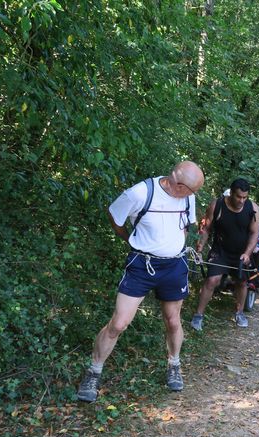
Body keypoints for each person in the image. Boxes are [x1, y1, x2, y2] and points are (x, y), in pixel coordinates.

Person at [77, 161, 205, 403]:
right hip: (141, 265)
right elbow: (115, 217)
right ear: (178, 185)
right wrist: (130, 239)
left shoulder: (188, 197)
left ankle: (174, 364)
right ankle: (93, 373)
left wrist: (173, 247)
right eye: (191, 190)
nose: (193, 195)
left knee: (173, 321)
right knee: (119, 323)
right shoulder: (140, 193)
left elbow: (185, 227)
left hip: (174, 265)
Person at [191, 178, 259, 330]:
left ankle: (239, 313)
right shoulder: (217, 205)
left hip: (242, 253)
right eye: (238, 197)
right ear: (231, 193)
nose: (242, 200)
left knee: (241, 282)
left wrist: (248, 253)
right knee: (211, 280)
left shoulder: (252, 208)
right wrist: (200, 248)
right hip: (220, 251)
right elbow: (207, 229)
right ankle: (198, 315)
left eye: (245, 197)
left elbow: (255, 233)